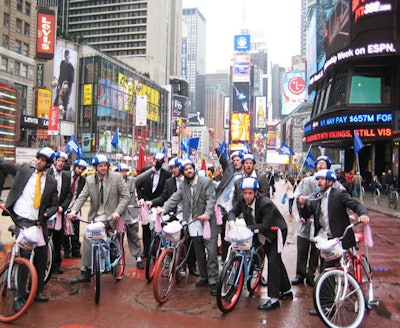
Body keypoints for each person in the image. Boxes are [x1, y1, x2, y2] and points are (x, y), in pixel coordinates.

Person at [297, 169, 371, 315]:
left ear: (330, 181)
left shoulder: (339, 194)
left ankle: (338, 302)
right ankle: (326, 306)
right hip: (326, 241)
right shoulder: (317, 197)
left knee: (331, 269)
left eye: (322, 179)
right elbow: (306, 214)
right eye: (318, 179)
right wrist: (303, 204)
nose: (319, 182)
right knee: (325, 271)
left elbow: (355, 205)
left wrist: (363, 214)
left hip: (340, 239)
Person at [0, 147, 59, 307]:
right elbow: (3, 166)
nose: (39, 162)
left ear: (48, 164)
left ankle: (36, 290)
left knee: (41, 256)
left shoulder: (52, 182)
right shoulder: (24, 170)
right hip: (21, 220)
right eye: (38, 158)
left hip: (39, 223)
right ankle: (18, 297)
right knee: (25, 255)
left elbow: (55, 204)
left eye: (43, 160)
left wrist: (46, 215)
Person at [156, 160, 220, 296]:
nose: (188, 171)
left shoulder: (206, 182)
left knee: (212, 253)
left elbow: (210, 200)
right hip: (192, 222)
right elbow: (175, 198)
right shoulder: (183, 185)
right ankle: (204, 277)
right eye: (185, 169)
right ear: (182, 172)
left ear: (194, 169)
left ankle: (214, 281)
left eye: (190, 168)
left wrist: (207, 214)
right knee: (199, 252)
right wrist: (164, 209)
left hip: (207, 222)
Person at [228, 178, 292, 311]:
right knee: (276, 261)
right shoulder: (241, 199)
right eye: (245, 193)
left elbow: (265, 225)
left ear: (256, 193)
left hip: (276, 232)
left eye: (250, 193)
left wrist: (247, 228)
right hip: (259, 231)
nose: (247, 196)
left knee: (273, 261)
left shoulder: (265, 203)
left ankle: (273, 299)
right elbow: (232, 211)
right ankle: (287, 291)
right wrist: (232, 222)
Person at [67, 154, 130, 283]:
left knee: (113, 243)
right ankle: (85, 271)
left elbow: (126, 197)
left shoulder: (117, 178)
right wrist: (73, 211)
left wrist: (118, 212)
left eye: (105, 165)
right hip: (96, 217)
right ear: (95, 167)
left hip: (112, 217)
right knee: (87, 237)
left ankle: (115, 264)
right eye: (100, 166)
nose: (103, 168)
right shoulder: (89, 180)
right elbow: (82, 197)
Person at [292, 155, 345, 287]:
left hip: (320, 225)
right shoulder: (307, 181)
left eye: (324, 163)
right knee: (302, 249)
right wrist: (301, 210)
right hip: (306, 221)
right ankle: (300, 274)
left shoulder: (334, 183)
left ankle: (311, 275)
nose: (321, 165)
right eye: (319, 163)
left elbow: (343, 197)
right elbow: (298, 196)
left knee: (317, 251)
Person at [146, 158, 199, 276]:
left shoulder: (189, 181)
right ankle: (169, 256)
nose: (173, 170)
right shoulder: (169, 182)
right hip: (173, 214)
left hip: (188, 214)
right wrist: (153, 202)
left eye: (175, 167)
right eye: (171, 168)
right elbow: (165, 197)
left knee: (189, 237)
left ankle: (190, 265)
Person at [209, 127, 244, 264]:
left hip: (234, 209)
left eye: (238, 160)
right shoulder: (229, 169)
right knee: (221, 235)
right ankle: (224, 260)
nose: (235, 162)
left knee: (232, 236)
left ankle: (233, 260)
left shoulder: (247, 178)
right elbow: (220, 155)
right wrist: (212, 137)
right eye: (233, 160)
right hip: (220, 206)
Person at [114, 162, 154, 269]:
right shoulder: (112, 182)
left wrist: (153, 169)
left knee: (134, 237)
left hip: (132, 212)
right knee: (116, 237)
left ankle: (138, 258)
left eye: (124, 171)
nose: (123, 173)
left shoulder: (131, 181)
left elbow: (142, 177)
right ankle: (116, 258)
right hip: (118, 214)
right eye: (121, 171)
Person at [136, 153, 171, 259]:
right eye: (155, 160)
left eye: (159, 161)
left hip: (158, 204)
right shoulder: (145, 170)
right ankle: (146, 250)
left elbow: (165, 191)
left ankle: (157, 249)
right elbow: (138, 185)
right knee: (145, 227)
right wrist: (141, 199)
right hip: (145, 204)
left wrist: (156, 202)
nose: (156, 163)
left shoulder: (167, 174)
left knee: (158, 227)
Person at [47, 151, 72, 274]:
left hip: (60, 213)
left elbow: (68, 195)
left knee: (58, 239)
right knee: (45, 238)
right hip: (47, 212)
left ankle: (56, 264)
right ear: (54, 161)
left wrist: (62, 207)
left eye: (63, 161)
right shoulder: (47, 173)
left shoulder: (66, 177)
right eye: (59, 160)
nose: (61, 163)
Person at [63, 159, 88, 259]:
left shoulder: (82, 180)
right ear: (74, 167)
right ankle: (66, 250)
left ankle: (75, 250)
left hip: (75, 208)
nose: (80, 171)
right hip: (64, 207)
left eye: (82, 169)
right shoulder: (66, 176)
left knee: (76, 230)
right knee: (64, 231)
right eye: (79, 168)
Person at [54, 49, 74, 120]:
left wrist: (68, 90)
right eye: (65, 56)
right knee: (57, 102)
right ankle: (56, 116)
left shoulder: (71, 67)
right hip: (60, 86)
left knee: (64, 102)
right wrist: (59, 86)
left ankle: (64, 118)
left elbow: (72, 81)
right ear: (64, 56)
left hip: (66, 87)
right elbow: (60, 75)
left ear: (69, 57)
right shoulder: (62, 63)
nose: (66, 57)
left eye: (68, 56)